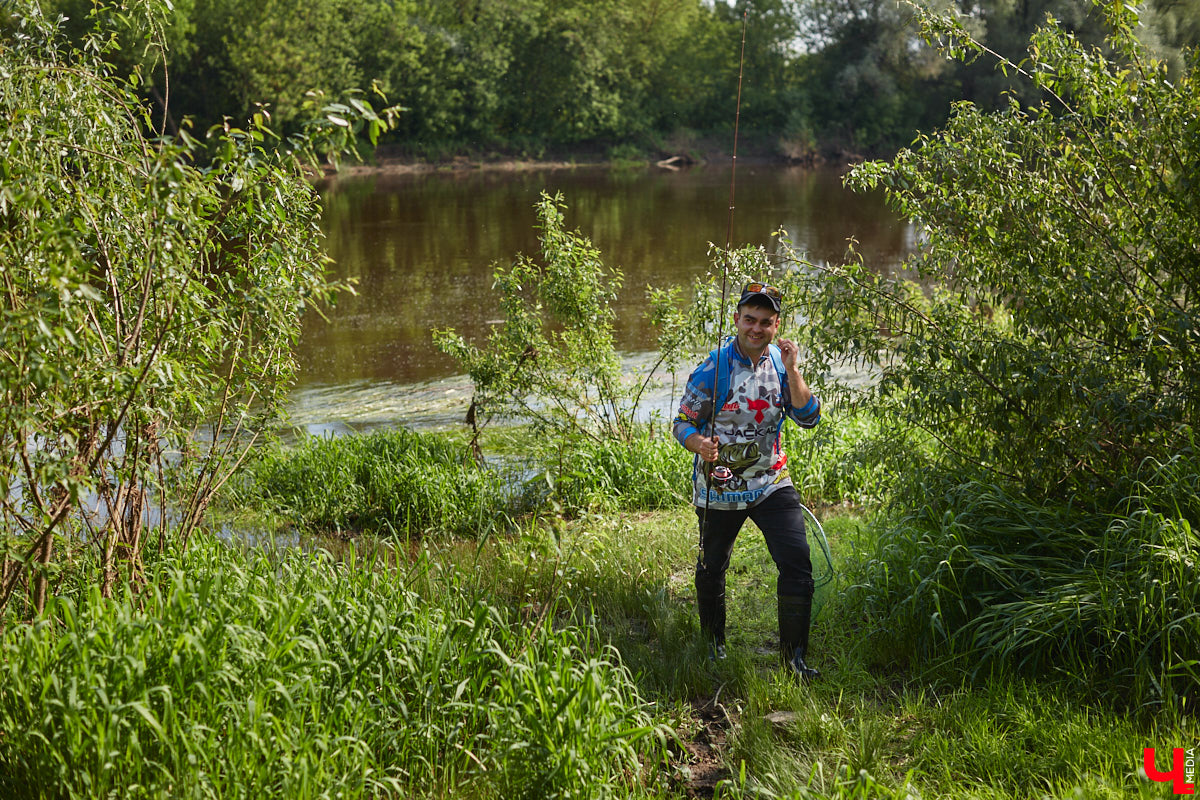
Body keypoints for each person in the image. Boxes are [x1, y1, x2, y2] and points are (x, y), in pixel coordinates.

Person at [672, 281, 822, 679]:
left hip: (772, 481)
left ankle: (795, 660)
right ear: (737, 319)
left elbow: (808, 418)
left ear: (777, 325)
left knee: (797, 563)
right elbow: (681, 423)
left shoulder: (779, 363)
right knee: (711, 567)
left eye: (765, 322)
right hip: (719, 486)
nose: (756, 328)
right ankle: (714, 646)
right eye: (749, 319)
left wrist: (793, 369)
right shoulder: (713, 369)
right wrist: (699, 443)